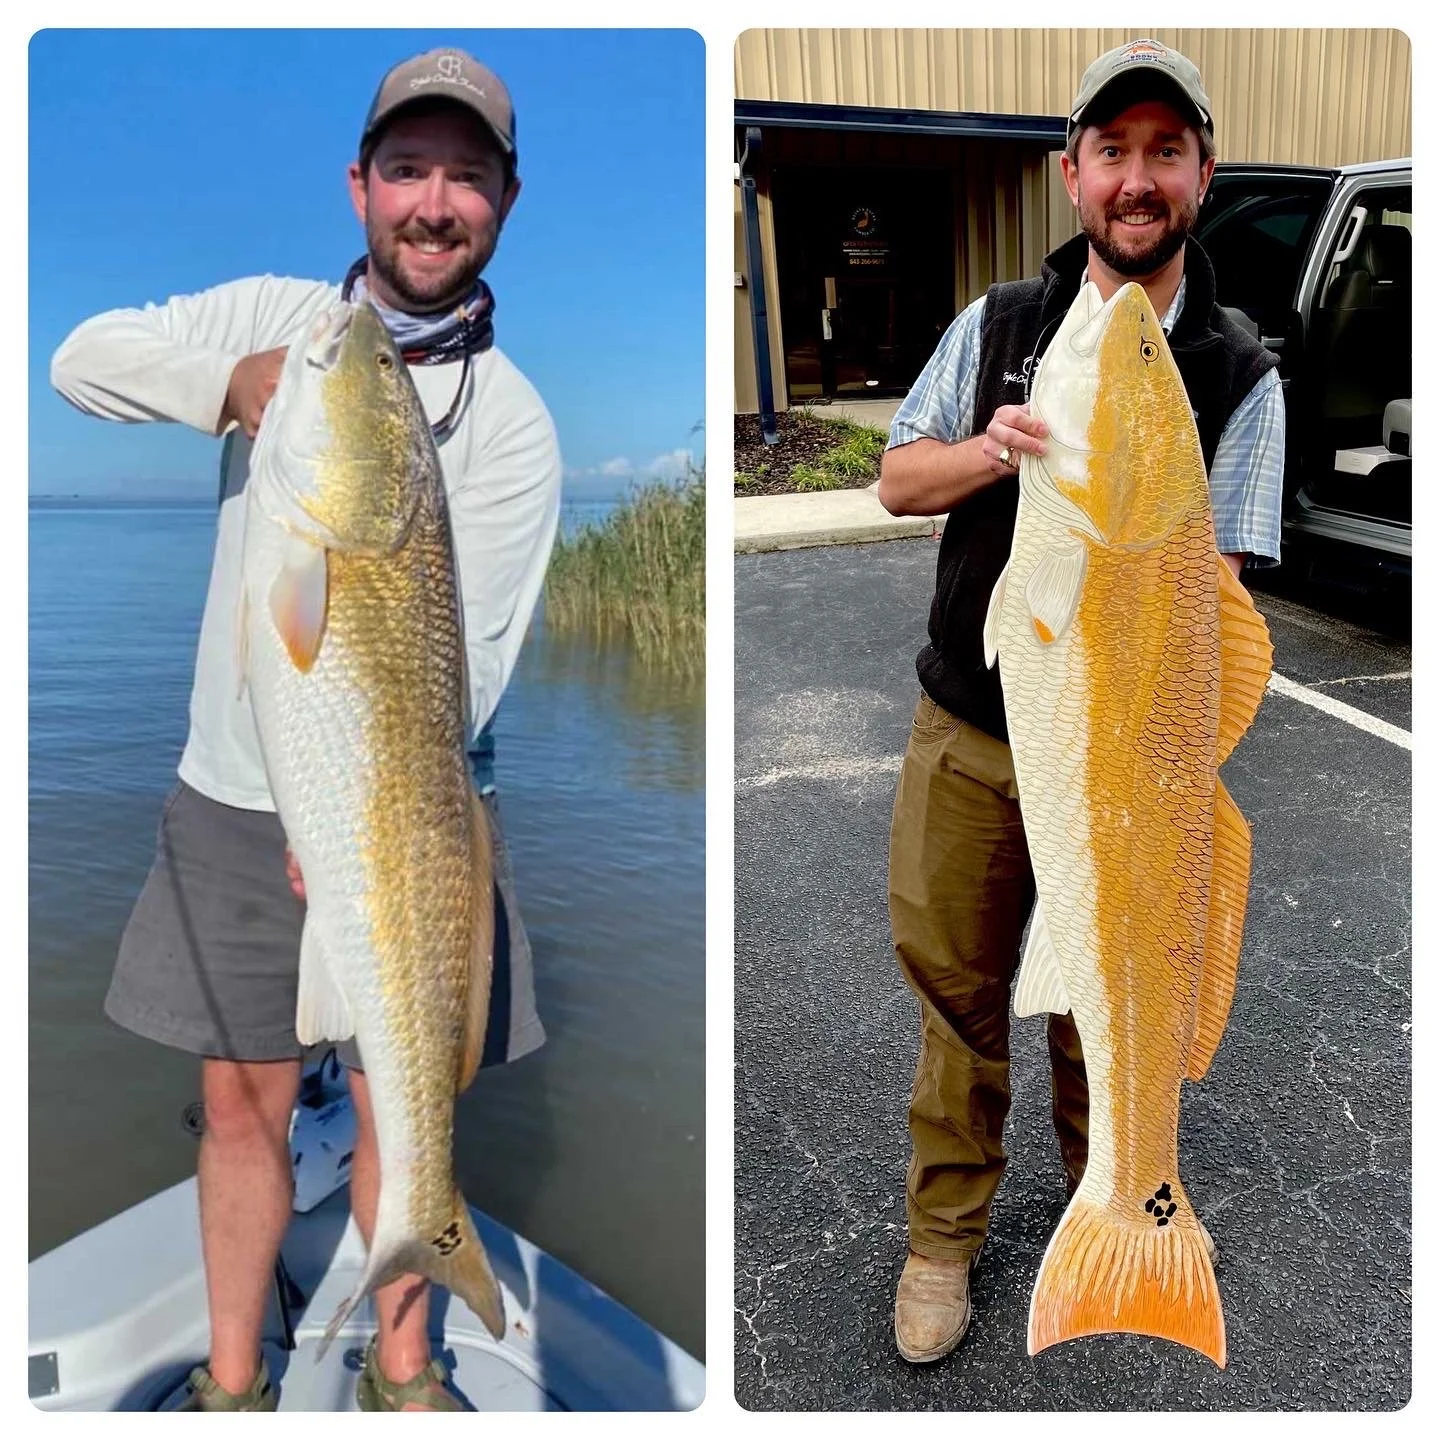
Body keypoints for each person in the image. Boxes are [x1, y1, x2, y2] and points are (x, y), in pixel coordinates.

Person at [50, 47, 562, 1410]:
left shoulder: (511, 427)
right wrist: (234, 384)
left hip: (413, 806)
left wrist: (344, 827)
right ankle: (232, 1382)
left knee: (410, 1098)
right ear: (360, 187)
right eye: (407, 170)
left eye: (465, 175)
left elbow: (470, 679)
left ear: (505, 198)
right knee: (240, 1105)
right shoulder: (292, 319)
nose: (432, 202)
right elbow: (81, 357)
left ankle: (406, 1368)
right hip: (230, 795)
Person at [876, 38, 1284, 1364]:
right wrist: (993, 452)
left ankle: (1115, 1203)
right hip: (971, 732)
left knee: (1113, 984)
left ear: (1203, 174)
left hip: (1134, 753)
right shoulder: (999, 330)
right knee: (959, 989)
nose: (1138, 177)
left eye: (1167, 150)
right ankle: (945, 1240)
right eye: (1114, 149)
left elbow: (1210, 607)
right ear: (1072, 174)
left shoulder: (1239, 375)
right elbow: (896, 482)